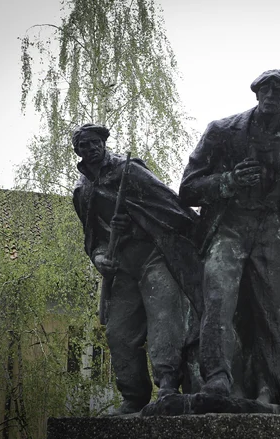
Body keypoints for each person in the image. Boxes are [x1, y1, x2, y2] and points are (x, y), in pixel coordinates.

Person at [179, 69, 280, 408]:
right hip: (228, 225)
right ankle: (216, 379)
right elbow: (187, 189)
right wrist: (228, 180)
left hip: (272, 228)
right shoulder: (222, 131)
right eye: (266, 89)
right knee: (218, 300)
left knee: (276, 310)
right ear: (256, 93)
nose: (273, 95)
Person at [71, 123, 202, 414]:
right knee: (119, 332)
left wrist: (133, 220)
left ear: (103, 143)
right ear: (76, 151)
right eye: (83, 145)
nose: (89, 149)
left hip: (154, 255)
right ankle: (134, 395)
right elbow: (92, 237)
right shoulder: (82, 190)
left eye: (94, 143)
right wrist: (100, 257)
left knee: (164, 319)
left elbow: (165, 203)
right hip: (122, 267)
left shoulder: (128, 170)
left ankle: (168, 384)